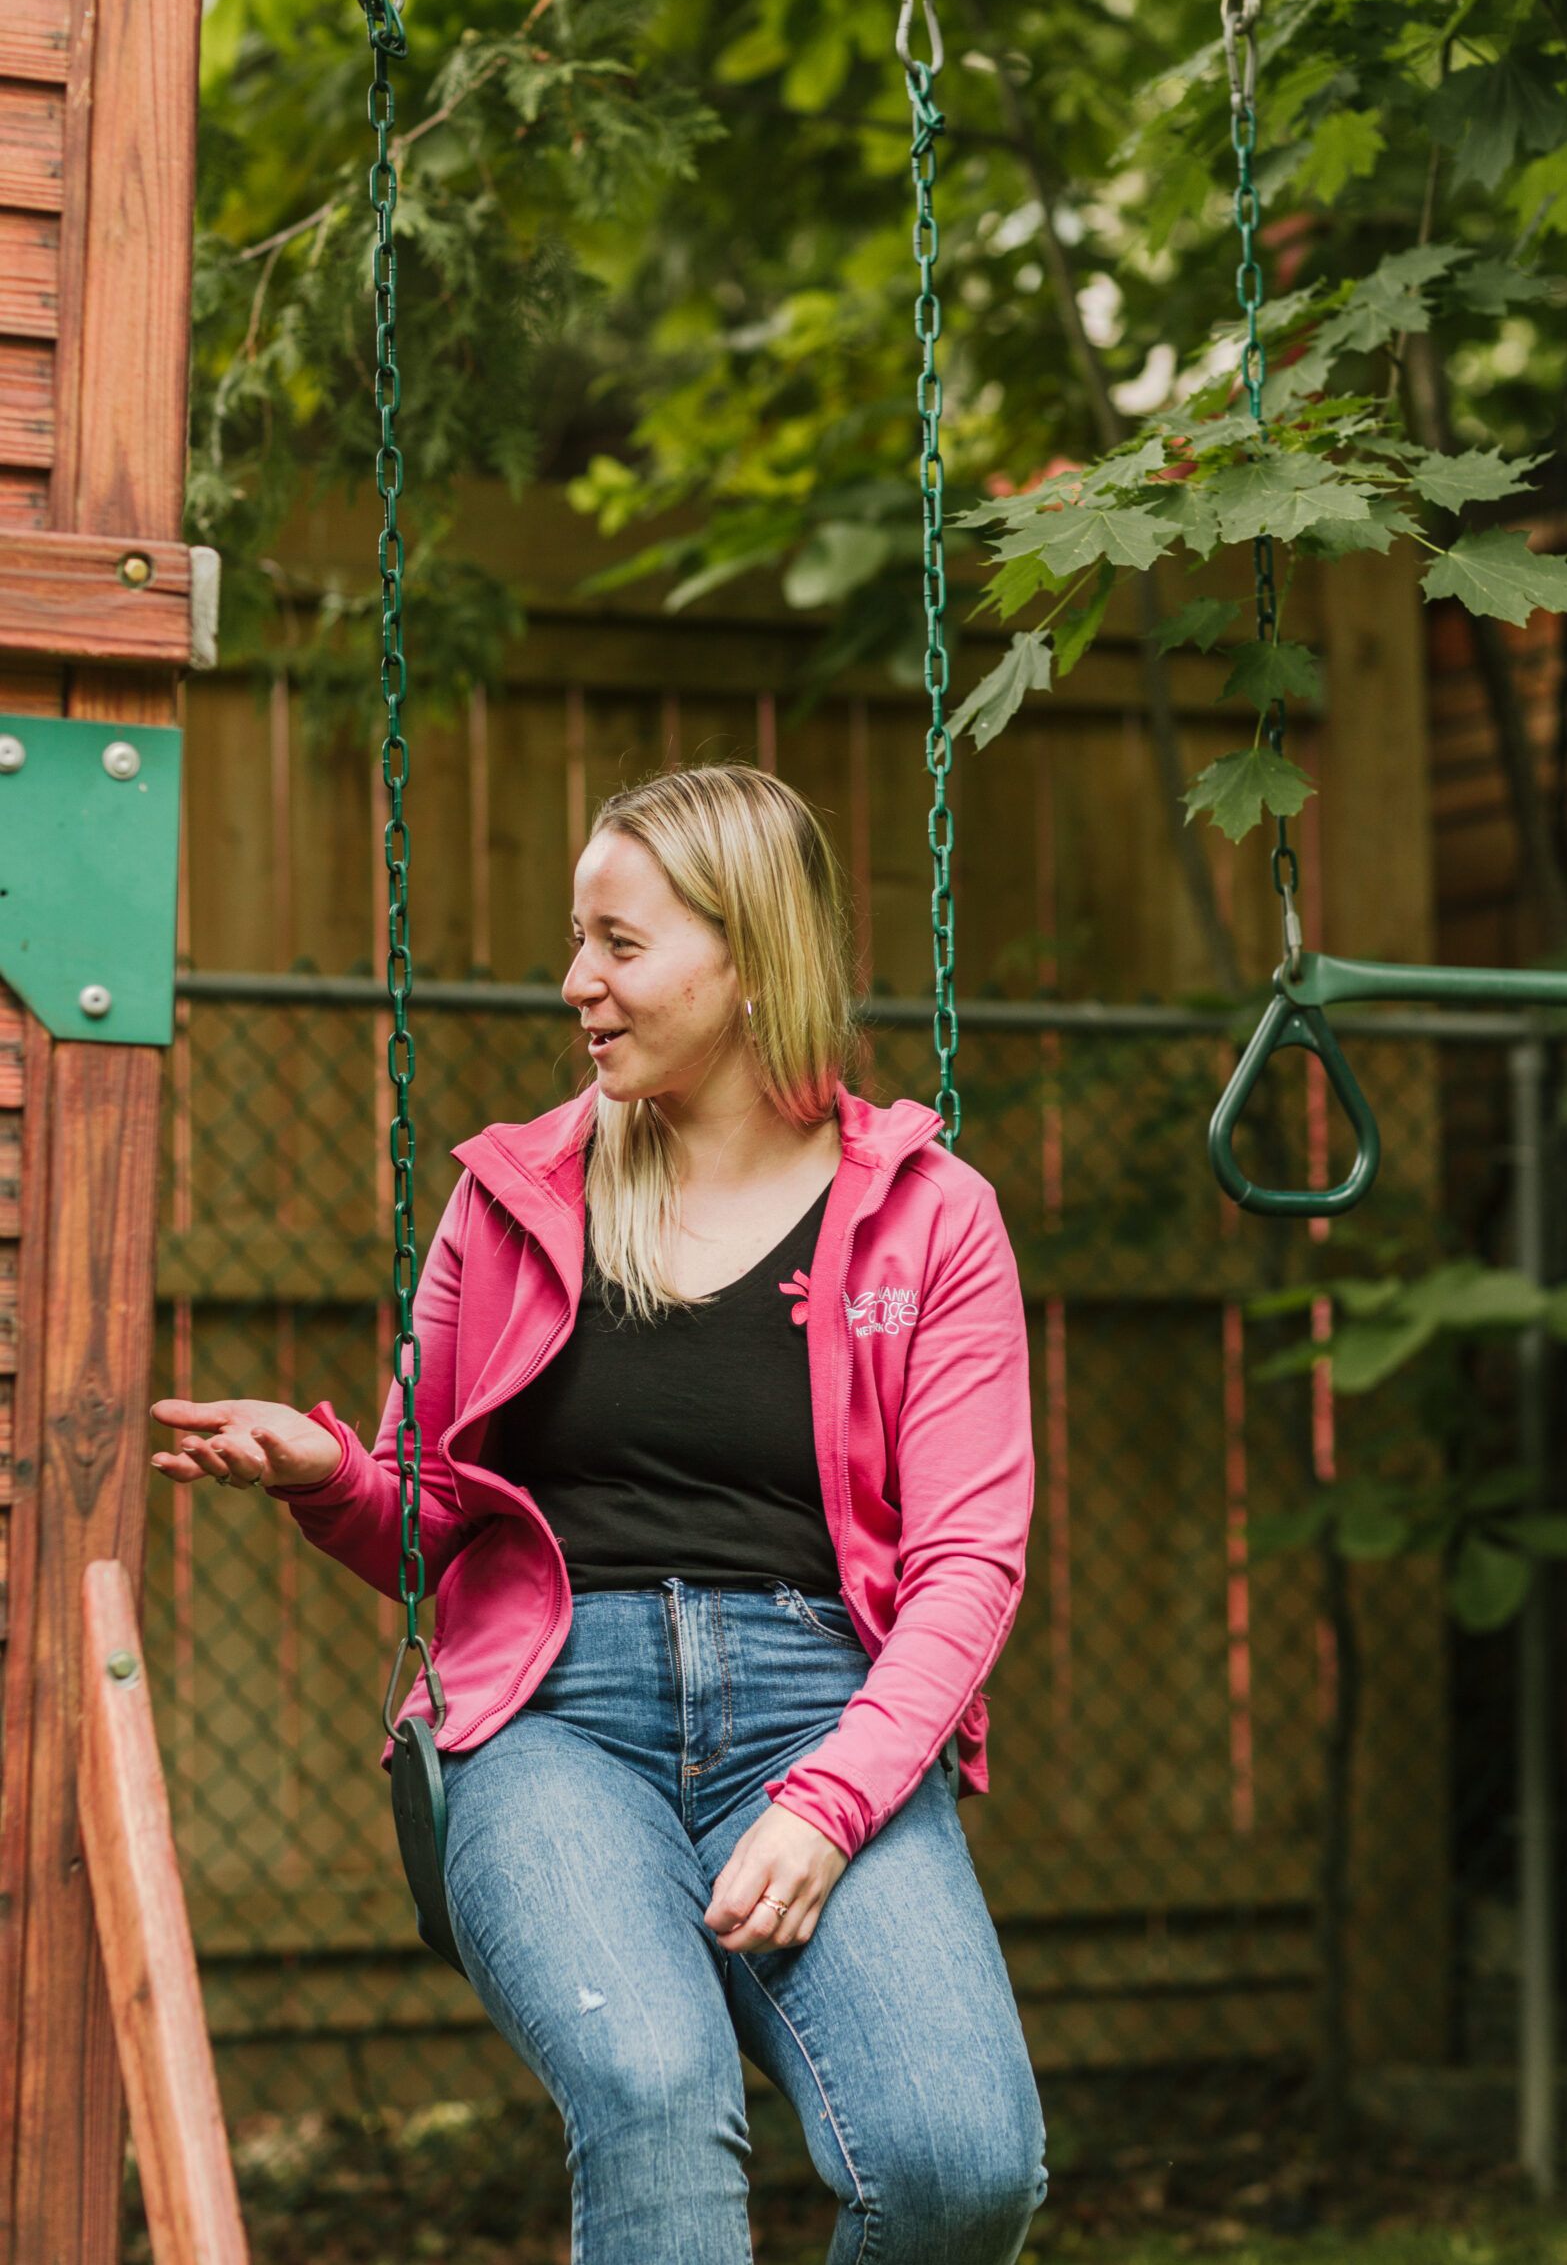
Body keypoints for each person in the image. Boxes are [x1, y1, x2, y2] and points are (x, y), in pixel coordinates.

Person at [153, 762, 1046, 2265]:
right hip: (556, 1721)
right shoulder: (514, 1196)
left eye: (621, 946)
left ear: (748, 959)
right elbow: (423, 1527)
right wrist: (329, 1483)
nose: (580, 982)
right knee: (648, 2087)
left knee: (959, 2165)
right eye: (582, 941)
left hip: (821, 1717)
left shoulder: (927, 1211)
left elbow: (969, 1567)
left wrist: (830, 1806)